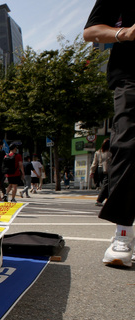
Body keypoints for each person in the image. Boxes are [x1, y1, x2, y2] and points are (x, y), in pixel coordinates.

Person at [84, 4, 135, 267]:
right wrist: (125, 34)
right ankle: (123, 232)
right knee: (128, 145)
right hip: (130, 74)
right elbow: (90, 31)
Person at [90, 138, 112, 206]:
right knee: (106, 185)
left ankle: (109, 200)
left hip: (100, 170)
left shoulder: (98, 152)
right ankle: (99, 200)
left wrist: (92, 171)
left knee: (105, 185)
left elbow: (94, 163)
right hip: (107, 170)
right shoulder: (110, 152)